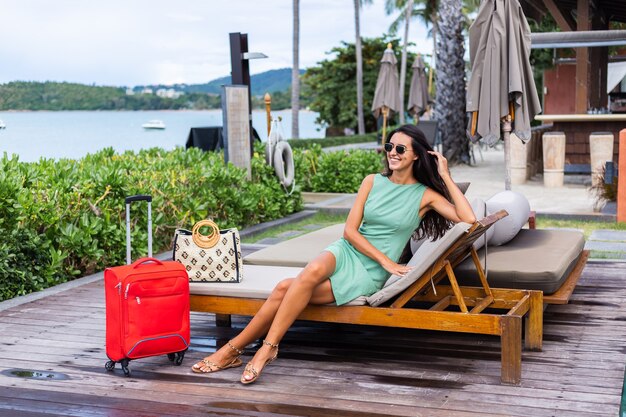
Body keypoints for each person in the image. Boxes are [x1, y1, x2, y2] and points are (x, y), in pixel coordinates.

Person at [191, 124, 476, 384]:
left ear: (416, 155)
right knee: (312, 271)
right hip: (348, 250)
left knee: (282, 290)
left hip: (368, 273)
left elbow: (468, 218)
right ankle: (267, 348)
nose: (392, 153)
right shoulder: (372, 181)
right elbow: (350, 231)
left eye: (400, 149)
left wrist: (445, 175)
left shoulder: (425, 195)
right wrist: (386, 260)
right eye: (389, 146)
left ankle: (235, 350)